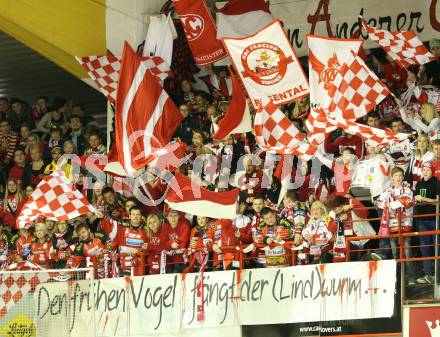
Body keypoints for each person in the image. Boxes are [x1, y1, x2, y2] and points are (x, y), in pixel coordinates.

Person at [373, 167, 415, 273]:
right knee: (395, 252)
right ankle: (398, 275)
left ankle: (411, 276)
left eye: (400, 175)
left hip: (405, 224)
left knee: (407, 250)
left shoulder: (407, 189)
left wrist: (390, 204)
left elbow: (407, 201)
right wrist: (386, 204)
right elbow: (378, 202)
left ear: (403, 177)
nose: (398, 178)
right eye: (396, 175)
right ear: (392, 177)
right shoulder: (388, 190)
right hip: (392, 225)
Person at [414, 161, 438, 284]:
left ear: (432, 171)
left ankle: (437, 276)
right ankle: (429, 274)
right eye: (424, 169)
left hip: (435, 219)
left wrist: (423, 199)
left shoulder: (436, 182)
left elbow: (437, 201)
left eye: (428, 170)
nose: (425, 172)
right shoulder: (419, 183)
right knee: (424, 248)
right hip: (422, 219)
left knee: (437, 247)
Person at [108, 206, 149, 276]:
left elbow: (149, 248)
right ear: (129, 216)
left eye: (138, 214)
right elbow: (113, 243)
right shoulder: (122, 229)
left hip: (139, 265)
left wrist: (139, 250)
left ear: (141, 216)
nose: (135, 217)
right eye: (133, 214)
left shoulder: (147, 230)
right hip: (124, 264)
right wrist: (108, 247)